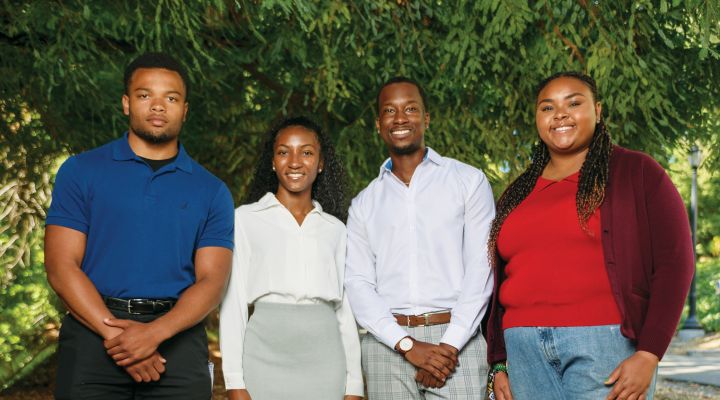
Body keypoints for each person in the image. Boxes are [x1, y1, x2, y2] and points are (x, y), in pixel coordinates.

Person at [485, 71, 695, 400]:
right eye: (547, 107)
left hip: (604, 344)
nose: (560, 114)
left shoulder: (636, 173)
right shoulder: (517, 193)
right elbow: (497, 284)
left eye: (574, 103)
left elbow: (676, 263)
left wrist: (650, 353)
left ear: (597, 111)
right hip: (523, 351)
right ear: (538, 119)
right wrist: (498, 362)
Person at [44, 52, 234, 399]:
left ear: (185, 109)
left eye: (171, 98)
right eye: (145, 95)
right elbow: (60, 266)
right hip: (93, 332)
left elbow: (212, 282)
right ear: (126, 103)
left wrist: (154, 334)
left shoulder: (212, 191)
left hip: (178, 336)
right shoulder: (81, 171)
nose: (158, 106)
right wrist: (120, 339)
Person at [344, 76, 496, 399]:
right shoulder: (363, 204)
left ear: (426, 118)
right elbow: (357, 283)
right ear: (378, 123)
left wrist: (449, 344)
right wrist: (406, 344)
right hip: (387, 343)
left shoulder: (468, 182)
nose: (400, 118)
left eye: (411, 108)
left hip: (458, 339)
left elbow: (482, 269)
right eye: (390, 111)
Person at [219, 117, 364, 400]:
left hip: (326, 360)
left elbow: (346, 312)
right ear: (273, 161)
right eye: (284, 152)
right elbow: (232, 304)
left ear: (321, 163)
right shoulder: (246, 219)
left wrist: (354, 385)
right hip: (263, 357)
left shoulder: (336, 229)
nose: (295, 162)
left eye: (307, 152)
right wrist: (235, 382)